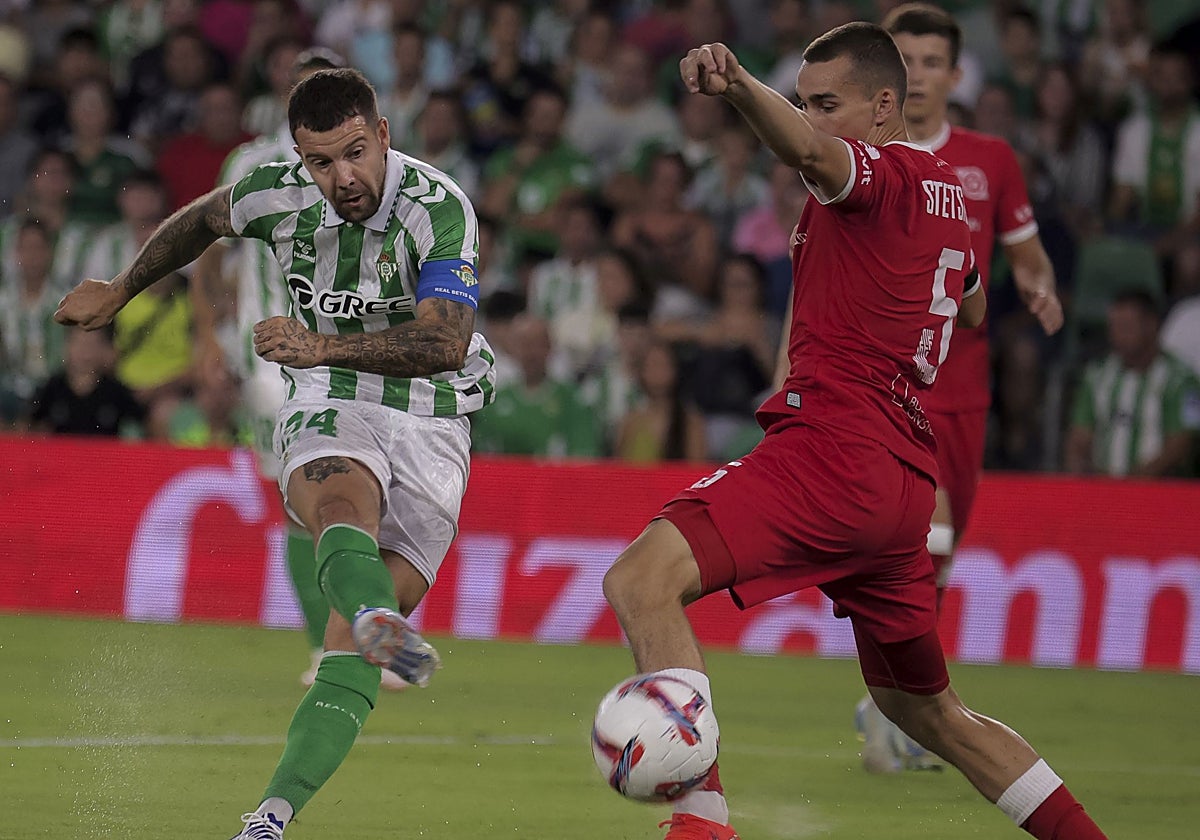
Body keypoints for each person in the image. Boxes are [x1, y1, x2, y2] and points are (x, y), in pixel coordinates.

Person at [602, 24, 1107, 840]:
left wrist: (736, 86)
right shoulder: (947, 193)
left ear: (884, 107)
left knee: (639, 581)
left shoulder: (873, 173)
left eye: (827, 103)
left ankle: (698, 826)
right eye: (805, 101)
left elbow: (809, 154)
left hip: (834, 447)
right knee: (927, 710)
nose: (813, 117)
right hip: (906, 475)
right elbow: (973, 302)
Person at [55, 66, 496, 839]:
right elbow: (201, 221)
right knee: (332, 507)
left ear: (383, 134)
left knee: (344, 656)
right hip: (329, 393)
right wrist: (123, 288)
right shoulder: (275, 189)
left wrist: (317, 341)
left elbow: (444, 341)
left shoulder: (438, 207)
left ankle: (331, 698)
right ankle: (268, 820)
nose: (342, 177)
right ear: (299, 155)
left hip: (433, 413)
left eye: (355, 153)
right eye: (321, 162)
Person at [844, 2, 1064, 772]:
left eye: (934, 63)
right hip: (885, 380)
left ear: (955, 75)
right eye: (907, 61)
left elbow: (1024, 252)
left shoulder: (990, 160)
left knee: (939, 553)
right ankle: (897, 706)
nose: (921, 76)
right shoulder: (857, 155)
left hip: (964, 388)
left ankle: (896, 700)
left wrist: (1038, 286)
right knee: (922, 541)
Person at [1066, 289, 1200, 478]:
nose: (1117, 336)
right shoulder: (1095, 376)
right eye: (1113, 327)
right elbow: (1079, 438)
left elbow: (1182, 444)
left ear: (1151, 325)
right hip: (1101, 491)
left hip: (1162, 493)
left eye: (1126, 327)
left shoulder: (1184, 381)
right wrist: (1083, 478)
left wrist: (1133, 485)